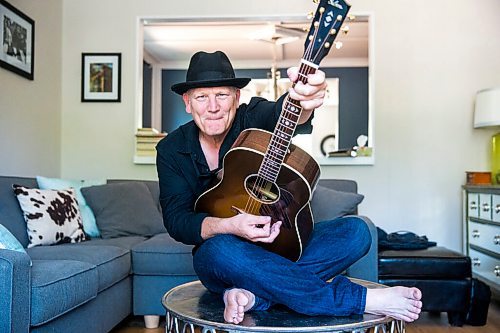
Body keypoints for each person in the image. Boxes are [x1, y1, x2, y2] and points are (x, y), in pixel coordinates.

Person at [156, 50, 422, 325]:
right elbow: (177, 221)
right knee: (217, 249)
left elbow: (285, 113)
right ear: (188, 102)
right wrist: (232, 226)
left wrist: (304, 101)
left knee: (357, 232)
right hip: (224, 257)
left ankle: (255, 297)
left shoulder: (253, 116)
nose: (212, 107)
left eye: (221, 95)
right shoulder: (171, 149)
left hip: (282, 247)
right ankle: (359, 299)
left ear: (236, 97)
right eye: (202, 97)